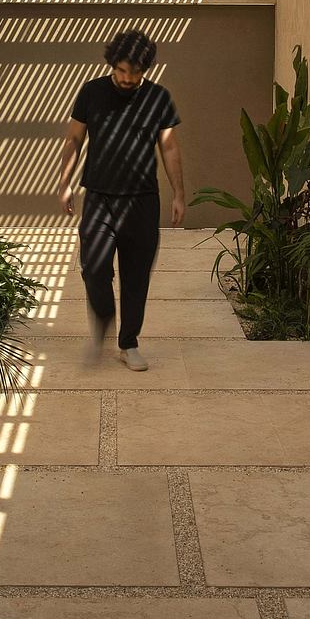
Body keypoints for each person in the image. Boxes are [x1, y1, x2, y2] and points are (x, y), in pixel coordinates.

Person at [58, 30, 185, 371]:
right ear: (112, 64)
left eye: (136, 72)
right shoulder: (92, 92)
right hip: (100, 197)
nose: (128, 78)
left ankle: (128, 343)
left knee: (135, 276)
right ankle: (104, 317)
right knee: (94, 269)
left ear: (145, 69)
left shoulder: (158, 98)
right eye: (122, 70)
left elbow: (169, 147)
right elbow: (74, 139)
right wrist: (65, 182)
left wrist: (179, 194)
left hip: (142, 200)